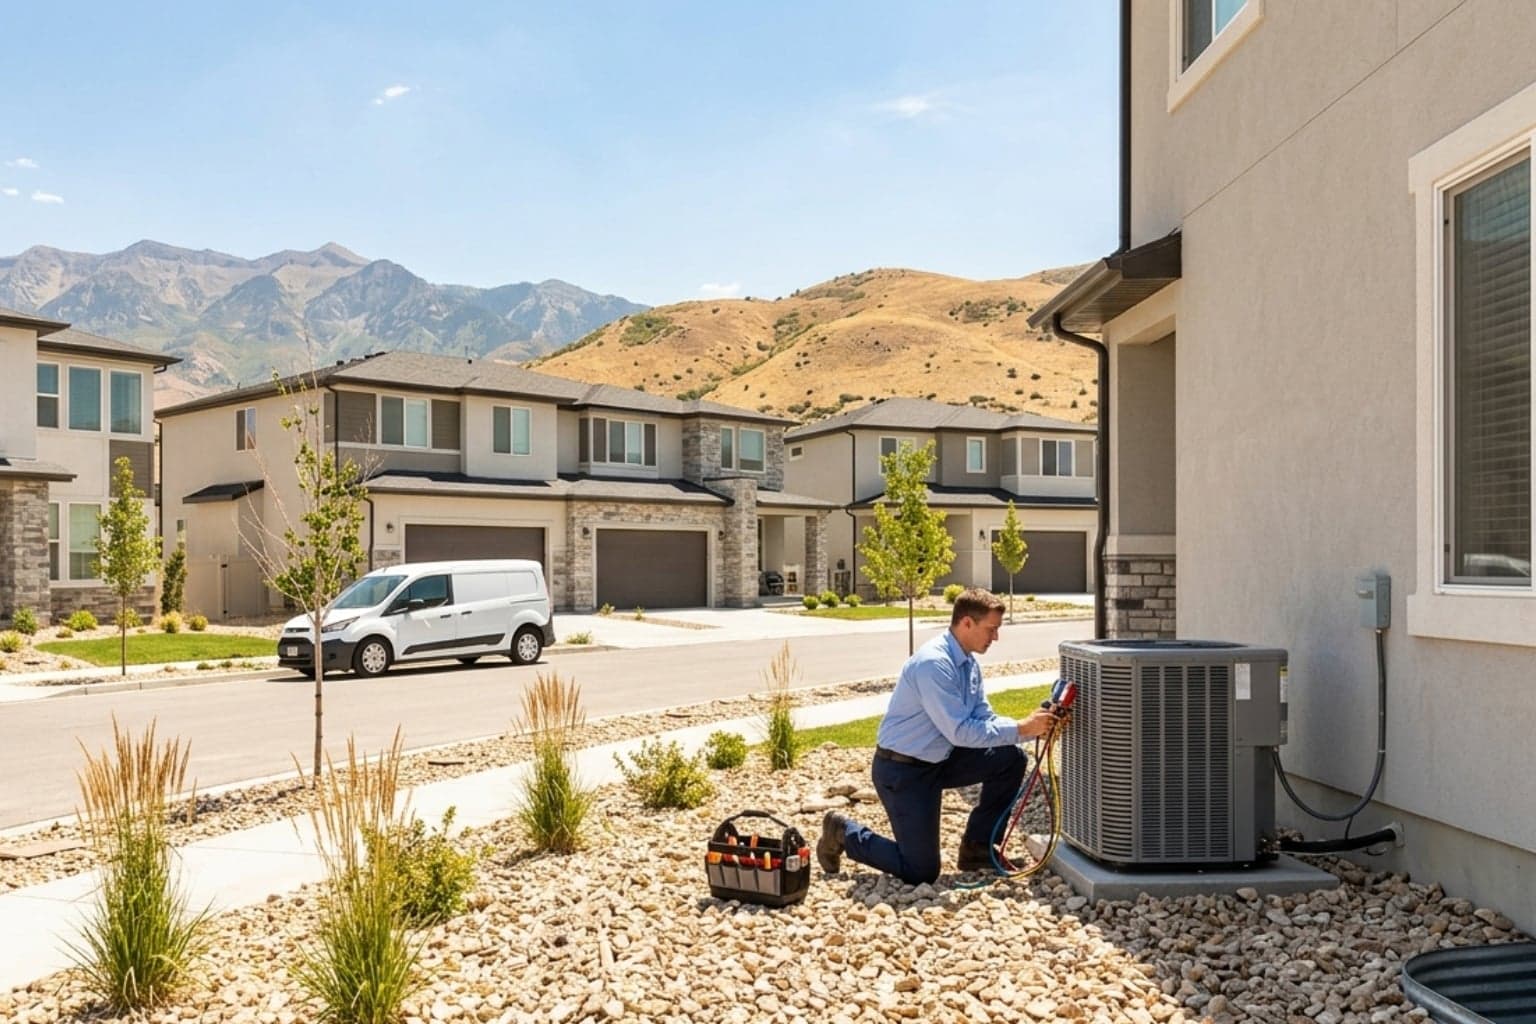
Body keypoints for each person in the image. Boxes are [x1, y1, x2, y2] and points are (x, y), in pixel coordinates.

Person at [816, 587, 1059, 884]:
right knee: (921, 871)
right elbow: (960, 731)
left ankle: (978, 848)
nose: (995, 637)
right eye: (991, 629)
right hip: (903, 771)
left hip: (939, 760)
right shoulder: (934, 664)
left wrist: (1032, 725)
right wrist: (1023, 728)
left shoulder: (968, 662)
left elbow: (982, 717)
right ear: (966, 623)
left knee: (1010, 758)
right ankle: (842, 832)